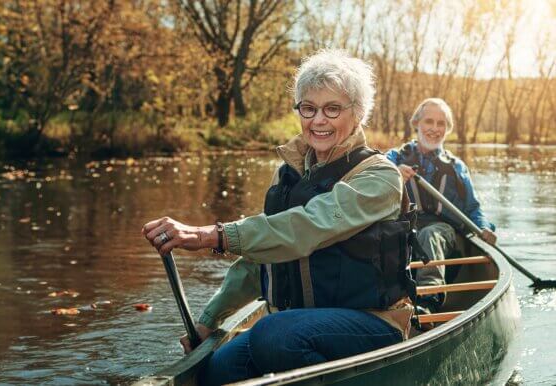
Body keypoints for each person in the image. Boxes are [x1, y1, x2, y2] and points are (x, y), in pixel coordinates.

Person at [142, 49, 416, 385]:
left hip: (371, 322)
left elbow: (308, 225)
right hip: (297, 324)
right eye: (309, 108)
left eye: (332, 109)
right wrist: (210, 320)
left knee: (274, 335)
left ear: (357, 114)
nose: (318, 120)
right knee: (219, 370)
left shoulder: (379, 177)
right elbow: (258, 261)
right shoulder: (287, 176)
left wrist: (209, 236)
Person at [385, 98, 497, 315]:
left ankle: (429, 300)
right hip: (403, 227)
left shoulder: (456, 167)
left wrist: (484, 228)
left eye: (441, 123)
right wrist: (394, 174)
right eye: (429, 121)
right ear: (416, 123)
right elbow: (372, 178)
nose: (435, 129)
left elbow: (473, 208)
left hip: (442, 231)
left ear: (448, 129)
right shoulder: (394, 158)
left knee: (430, 234)